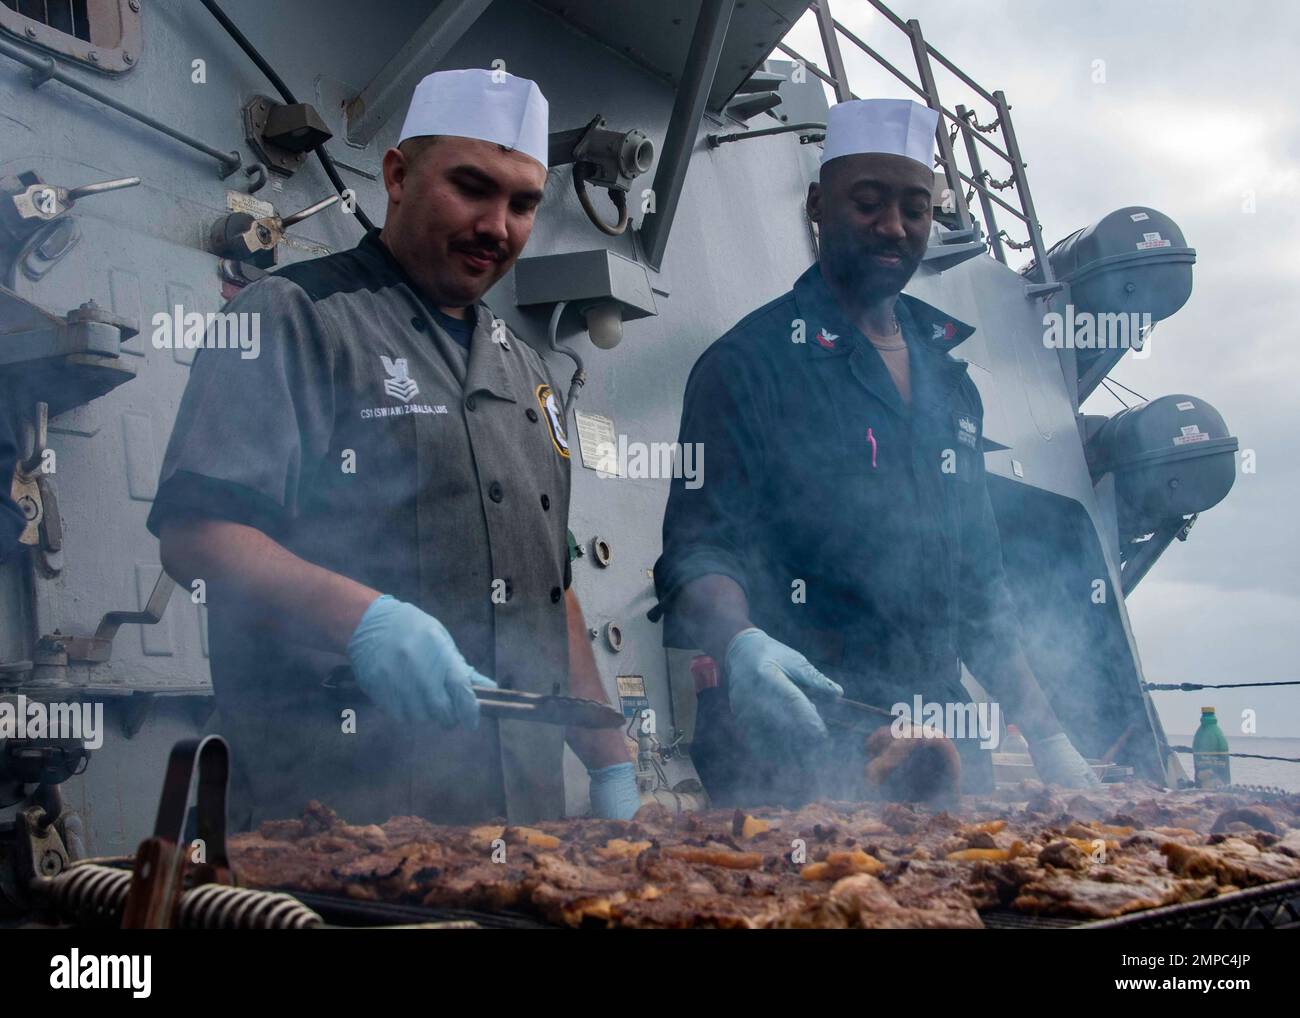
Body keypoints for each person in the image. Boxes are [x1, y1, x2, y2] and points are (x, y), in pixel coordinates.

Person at [148, 69, 638, 828]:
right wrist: (365, 620)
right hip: (334, 818)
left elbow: (550, 582)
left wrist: (609, 759)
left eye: (522, 203)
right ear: (398, 175)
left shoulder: (529, 370)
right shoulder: (297, 316)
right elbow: (195, 533)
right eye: (472, 188)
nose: (496, 225)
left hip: (522, 820)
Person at [654, 98, 1099, 806]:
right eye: (868, 202)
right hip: (800, 737)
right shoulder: (747, 364)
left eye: (915, 208)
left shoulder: (951, 382)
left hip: (946, 745)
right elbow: (698, 552)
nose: (893, 226)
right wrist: (741, 647)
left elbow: (982, 589)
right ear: (816, 205)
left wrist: (1048, 738)